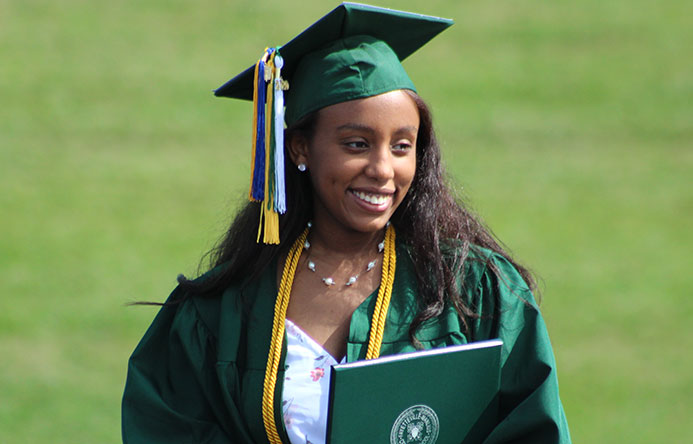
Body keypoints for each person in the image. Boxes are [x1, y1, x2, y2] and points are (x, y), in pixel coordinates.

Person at [122, 3, 571, 443]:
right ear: (299, 148)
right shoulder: (222, 311)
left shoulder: (473, 289)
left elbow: (533, 429)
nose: (382, 169)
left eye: (401, 146)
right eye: (357, 144)